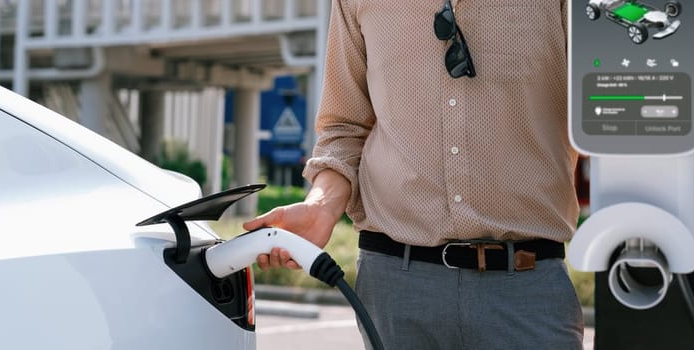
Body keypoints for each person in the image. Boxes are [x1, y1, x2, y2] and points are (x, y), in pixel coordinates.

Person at [244, 0, 582, 348]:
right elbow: (343, 128)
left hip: (527, 288)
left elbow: (613, 105)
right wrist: (321, 206)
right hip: (395, 286)